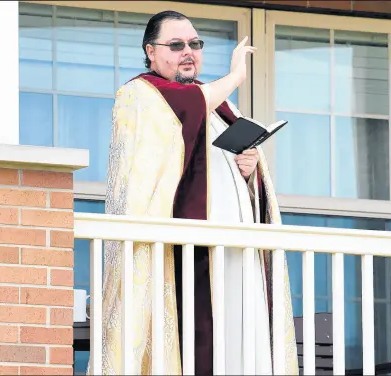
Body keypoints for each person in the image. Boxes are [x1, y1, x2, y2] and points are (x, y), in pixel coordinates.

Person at [97, 10, 298, 376]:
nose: (188, 52)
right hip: (185, 253)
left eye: (195, 44)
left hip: (237, 254)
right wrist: (237, 75)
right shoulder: (140, 94)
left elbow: (224, 161)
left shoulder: (222, 105)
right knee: (197, 349)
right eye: (176, 45)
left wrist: (250, 169)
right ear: (151, 51)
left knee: (238, 347)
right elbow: (177, 121)